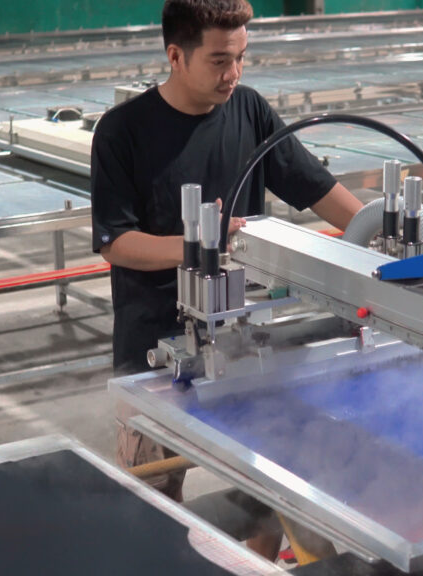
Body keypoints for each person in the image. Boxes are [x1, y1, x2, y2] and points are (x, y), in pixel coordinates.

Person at [91, 0, 363, 555]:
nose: (233, 74)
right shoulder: (123, 132)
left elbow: (315, 188)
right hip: (154, 350)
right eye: (219, 60)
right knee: (153, 500)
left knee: (269, 487)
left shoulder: (250, 111)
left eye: (241, 57)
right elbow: (116, 242)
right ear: (176, 56)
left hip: (243, 339)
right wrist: (199, 245)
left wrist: (381, 234)